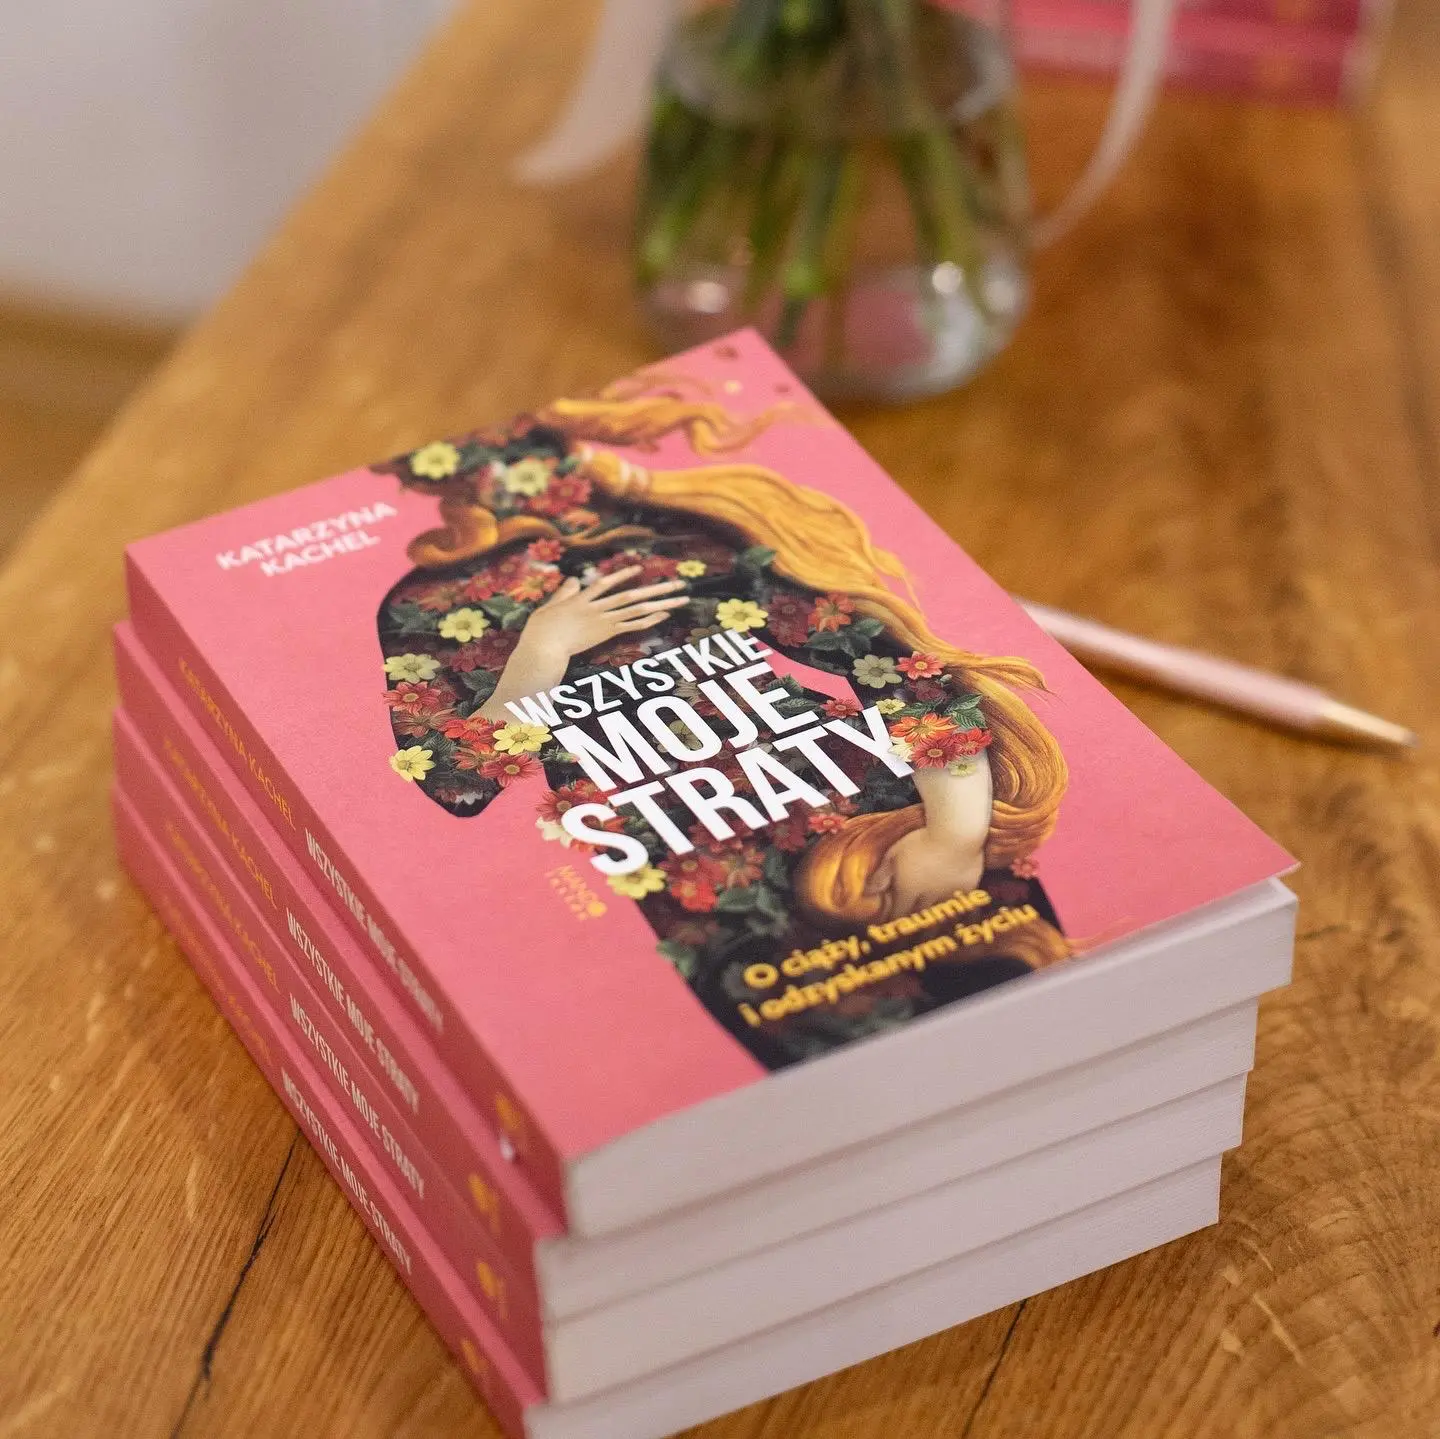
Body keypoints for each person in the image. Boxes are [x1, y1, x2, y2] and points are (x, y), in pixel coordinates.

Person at [376, 377, 1069, 1069]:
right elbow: (455, 783)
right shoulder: (428, 604)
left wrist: (955, 831)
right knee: (835, 1068)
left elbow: (893, 666)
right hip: (702, 881)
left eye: (537, 464)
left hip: (869, 819)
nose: (525, 490)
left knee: (1034, 1008)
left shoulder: (679, 534)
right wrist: (539, 658)